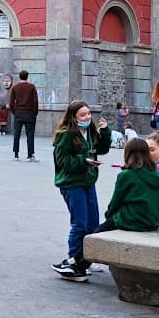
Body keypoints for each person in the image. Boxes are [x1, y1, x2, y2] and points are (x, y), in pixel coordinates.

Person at [50, 101, 111, 282]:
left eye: (88, 114)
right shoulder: (65, 135)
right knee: (80, 223)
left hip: (88, 180)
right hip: (71, 182)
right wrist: (83, 161)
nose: (87, 117)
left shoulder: (91, 132)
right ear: (73, 117)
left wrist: (106, 132)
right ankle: (73, 259)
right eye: (82, 115)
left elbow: (102, 149)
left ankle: (86, 259)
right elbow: (62, 161)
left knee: (93, 223)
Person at [98, 138, 159, 233]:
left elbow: (116, 201)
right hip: (152, 221)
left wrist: (109, 215)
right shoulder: (154, 173)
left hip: (131, 220)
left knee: (93, 235)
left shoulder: (127, 175)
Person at [8, 70, 40, 162]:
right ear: (27, 76)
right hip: (29, 113)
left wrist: (15, 112)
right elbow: (35, 101)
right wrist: (35, 113)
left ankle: (16, 154)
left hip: (18, 113)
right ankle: (30, 155)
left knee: (16, 134)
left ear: (19, 76)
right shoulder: (32, 87)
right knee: (30, 135)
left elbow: (11, 102)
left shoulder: (15, 87)